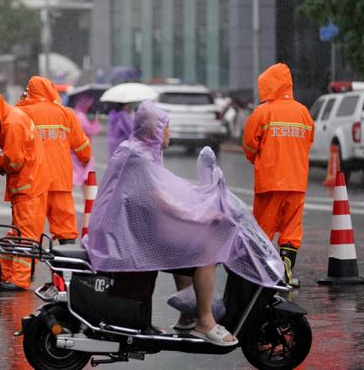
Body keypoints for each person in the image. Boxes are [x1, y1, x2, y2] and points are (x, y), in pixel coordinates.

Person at [84, 100, 284, 346]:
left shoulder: (141, 151)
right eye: (165, 127)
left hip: (128, 229)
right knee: (203, 250)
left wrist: (202, 197)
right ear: (153, 130)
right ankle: (205, 322)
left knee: (185, 241)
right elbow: (164, 200)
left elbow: (169, 188)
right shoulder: (138, 157)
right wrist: (202, 215)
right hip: (121, 236)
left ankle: (187, 315)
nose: (168, 133)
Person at [242, 63, 314, 287]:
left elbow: (249, 146)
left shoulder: (262, 112)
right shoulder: (303, 112)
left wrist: (260, 160)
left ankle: (262, 275)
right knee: (292, 230)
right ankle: (286, 275)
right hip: (296, 182)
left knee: (263, 230)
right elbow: (308, 142)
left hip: (269, 182)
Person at [0, 88, 49, 291]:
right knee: (17, 233)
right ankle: (5, 272)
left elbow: (14, 161)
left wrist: (1, 164)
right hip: (26, 185)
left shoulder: (12, 123)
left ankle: (19, 279)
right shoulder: (9, 118)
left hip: (29, 186)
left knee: (25, 236)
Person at [17, 76, 92, 245]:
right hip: (60, 182)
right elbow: (83, 148)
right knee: (66, 229)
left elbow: (9, 133)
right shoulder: (66, 114)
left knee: (29, 233)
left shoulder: (22, 113)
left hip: (33, 183)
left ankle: (26, 270)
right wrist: (84, 160)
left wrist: (21, 103)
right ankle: (65, 269)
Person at [71, 96, 101, 201]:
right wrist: (96, 121)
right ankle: (87, 216)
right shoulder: (82, 117)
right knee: (87, 192)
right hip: (83, 154)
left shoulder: (74, 115)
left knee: (72, 184)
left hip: (73, 154)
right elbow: (90, 130)